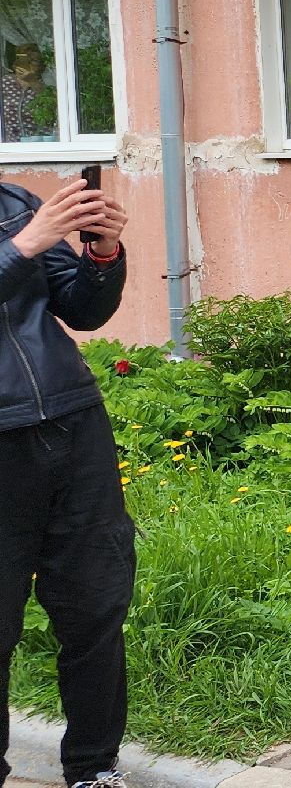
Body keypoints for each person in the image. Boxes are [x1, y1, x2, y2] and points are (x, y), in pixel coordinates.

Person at [0, 170, 129, 788]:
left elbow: (81, 311)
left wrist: (101, 254)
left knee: (96, 603)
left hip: (71, 422)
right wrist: (22, 245)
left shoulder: (17, 204)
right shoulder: (25, 224)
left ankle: (93, 767)